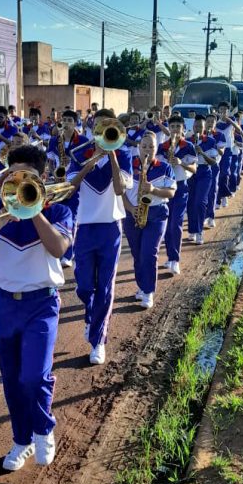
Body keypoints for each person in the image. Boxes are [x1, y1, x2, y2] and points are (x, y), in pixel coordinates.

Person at [0, 144, 73, 471]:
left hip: (41, 303)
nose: (17, 181)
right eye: (12, 176)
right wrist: (0, 220)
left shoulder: (58, 212)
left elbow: (57, 249)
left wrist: (34, 209)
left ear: (41, 178)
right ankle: (21, 440)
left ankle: (43, 429)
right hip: (3, 304)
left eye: (25, 177)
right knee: (12, 380)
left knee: (34, 375)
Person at [67, 109, 133, 365]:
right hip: (85, 228)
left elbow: (119, 188)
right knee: (84, 286)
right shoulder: (79, 154)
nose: (102, 132)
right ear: (91, 129)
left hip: (110, 228)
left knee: (105, 286)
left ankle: (98, 341)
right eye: (98, 127)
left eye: (107, 127)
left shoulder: (125, 154)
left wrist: (113, 156)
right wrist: (91, 162)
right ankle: (92, 316)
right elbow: (71, 187)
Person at [123, 131, 176, 308]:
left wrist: (153, 190)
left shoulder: (164, 167)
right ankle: (141, 286)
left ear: (157, 148)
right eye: (144, 146)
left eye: (151, 147)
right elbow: (120, 191)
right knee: (137, 254)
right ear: (138, 147)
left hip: (157, 214)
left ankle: (148, 292)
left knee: (148, 253)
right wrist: (130, 208)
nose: (147, 150)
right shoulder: (129, 165)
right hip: (133, 215)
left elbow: (171, 192)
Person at [46, 109, 88, 267]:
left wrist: (70, 157)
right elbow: (50, 162)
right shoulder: (54, 140)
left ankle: (69, 253)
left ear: (76, 123)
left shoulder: (83, 140)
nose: (66, 123)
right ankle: (58, 249)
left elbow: (85, 162)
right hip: (58, 182)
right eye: (64, 120)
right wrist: (52, 172)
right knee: (57, 217)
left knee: (72, 217)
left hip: (74, 183)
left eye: (70, 121)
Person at [157, 115, 197, 275]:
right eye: (172, 126)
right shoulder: (162, 146)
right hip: (165, 188)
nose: (174, 130)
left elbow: (194, 169)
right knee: (167, 224)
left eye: (177, 127)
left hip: (180, 187)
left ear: (183, 129)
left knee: (176, 224)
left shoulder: (188, 146)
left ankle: (175, 259)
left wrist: (181, 163)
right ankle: (170, 256)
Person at [186, 116, 219, 244]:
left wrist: (202, 153)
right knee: (191, 202)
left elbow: (213, 162)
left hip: (204, 173)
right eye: (196, 126)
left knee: (200, 202)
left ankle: (199, 231)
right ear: (193, 126)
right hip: (190, 173)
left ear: (204, 128)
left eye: (200, 126)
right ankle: (192, 230)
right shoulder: (188, 141)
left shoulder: (210, 141)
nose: (197, 128)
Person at [215, 102, 243, 207]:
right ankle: (218, 199)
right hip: (217, 150)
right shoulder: (215, 121)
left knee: (225, 174)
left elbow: (239, 130)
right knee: (217, 174)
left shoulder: (231, 121)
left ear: (228, 111)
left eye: (225, 109)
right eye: (221, 109)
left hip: (227, 150)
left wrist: (230, 120)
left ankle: (224, 196)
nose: (223, 111)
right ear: (218, 110)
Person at [204, 113, 225, 228]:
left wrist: (213, 142)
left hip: (213, 166)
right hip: (201, 167)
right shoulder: (200, 135)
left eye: (212, 121)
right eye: (208, 121)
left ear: (215, 123)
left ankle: (211, 216)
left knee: (212, 191)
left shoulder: (220, 135)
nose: (210, 123)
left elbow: (222, 152)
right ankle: (202, 216)